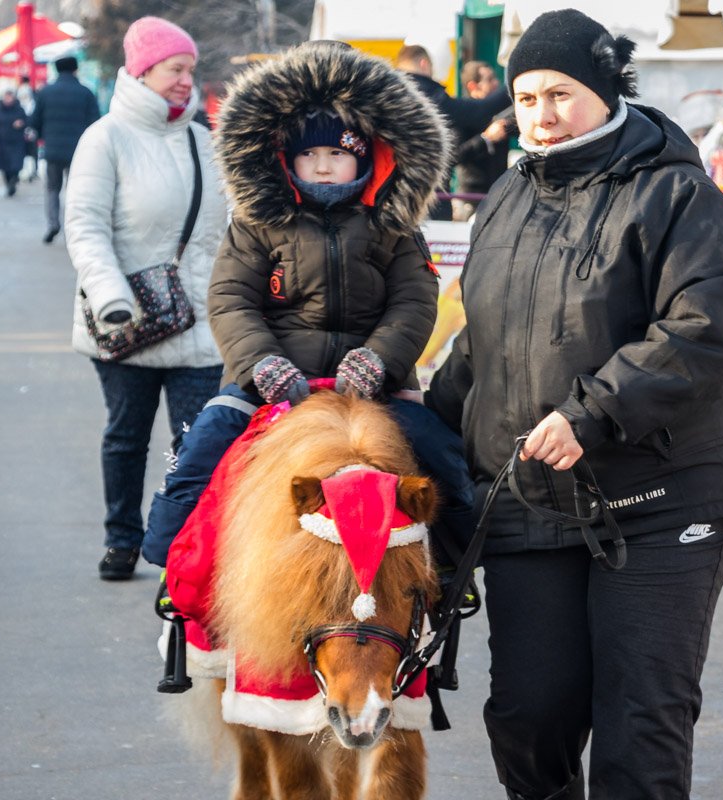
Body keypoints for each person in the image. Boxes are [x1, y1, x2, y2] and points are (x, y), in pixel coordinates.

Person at [416, 9, 723, 800]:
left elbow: (705, 329)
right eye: (527, 96)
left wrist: (591, 412)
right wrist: (417, 427)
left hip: (661, 500)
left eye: (561, 93)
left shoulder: (676, 194)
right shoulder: (506, 195)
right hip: (531, 504)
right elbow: (484, 340)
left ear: (605, 90)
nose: (542, 114)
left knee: (641, 724)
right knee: (529, 717)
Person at [139, 41, 473, 584]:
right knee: (203, 448)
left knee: (442, 454)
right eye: (309, 156)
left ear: (364, 156)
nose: (322, 166)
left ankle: (457, 568)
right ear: (286, 159)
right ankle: (172, 564)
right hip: (275, 379)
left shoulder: (394, 223)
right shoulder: (258, 220)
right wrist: (262, 366)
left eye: (337, 154)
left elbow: (414, 300)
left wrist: (379, 359)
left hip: (373, 383)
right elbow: (230, 299)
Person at [65, 17, 227, 581]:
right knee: (127, 438)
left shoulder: (206, 141)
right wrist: (111, 295)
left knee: (197, 444)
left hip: (201, 327)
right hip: (126, 322)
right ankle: (122, 538)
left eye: (190, 69)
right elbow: (85, 226)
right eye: (175, 69)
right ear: (141, 71)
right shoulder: (105, 138)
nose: (187, 80)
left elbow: (231, 232)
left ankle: (185, 545)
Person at [394, 44, 509, 220]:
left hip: (393, 200)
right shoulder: (425, 94)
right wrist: (517, 78)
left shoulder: (388, 93)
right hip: (426, 202)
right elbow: (480, 113)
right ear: (425, 64)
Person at [31, 55, 100, 244]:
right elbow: (95, 122)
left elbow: (35, 120)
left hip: (52, 149)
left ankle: (53, 223)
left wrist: (40, 135)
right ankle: (73, 227)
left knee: (52, 188)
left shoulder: (46, 92)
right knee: (75, 190)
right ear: (75, 70)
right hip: (79, 151)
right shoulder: (85, 93)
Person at [452, 60, 513, 220]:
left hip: (500, 194)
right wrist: (486, 138)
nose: (496, 83)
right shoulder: (461, 115)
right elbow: (454, 155)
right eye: (490, 79)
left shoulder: (501, 113)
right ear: (473, 86)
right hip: (473, 199)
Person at [0, 88, 27, 196]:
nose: (8, 99)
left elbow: (27, 121)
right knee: (5, 167)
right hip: (2, 143)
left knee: (16, 165)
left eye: (10, 96)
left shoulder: (19, 109)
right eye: (6, 96)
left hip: (17, 142)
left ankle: (13, 181)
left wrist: (21, 123)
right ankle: (9, 184)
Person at [16, 74, 39, 181]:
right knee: (30, 152)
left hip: (28, 130)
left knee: (30, 151)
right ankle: (30, 171)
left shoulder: (27, 101)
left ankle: (30, 171)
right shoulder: (32, 100)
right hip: (27, 130)